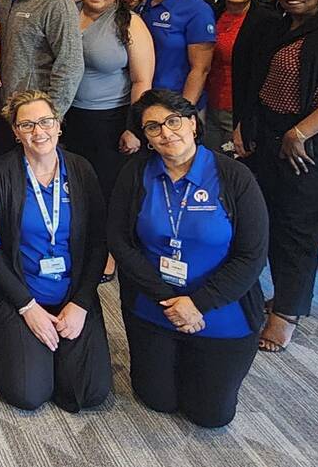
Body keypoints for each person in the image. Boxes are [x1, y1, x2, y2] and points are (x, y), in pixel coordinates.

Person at [108, 89, 269, 429]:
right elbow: (120, 242)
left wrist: (197, 304)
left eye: (173, 121)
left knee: (210, 415)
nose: (166, 132)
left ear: (193, 123)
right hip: (154, 306)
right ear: (147, 138)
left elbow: (252, 256)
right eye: (153, 127)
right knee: (157, 400)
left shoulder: (233, 177)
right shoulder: (135, 175)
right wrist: (170, 300)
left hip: (222, 311)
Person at [230, 0, 318, 353]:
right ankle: (276, 297)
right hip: (268, 135)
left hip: (308, 146)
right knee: (263, 220)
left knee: (298, 231)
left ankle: (287, 313)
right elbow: (255, 81)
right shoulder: (280, 26)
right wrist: (245, 124)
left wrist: (299, 133)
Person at [0, 91, 112, 412]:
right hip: (20, 297)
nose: (39, 132)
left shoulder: (81, 170)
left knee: (90, 392)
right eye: (27, 125)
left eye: (45, 122)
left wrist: (80, 303)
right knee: (28, 393)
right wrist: (27, 306)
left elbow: (98, 243)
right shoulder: (0, 174)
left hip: (72, 296)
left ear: (59, 125)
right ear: (15, 132)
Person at [65, 0, 156, 202]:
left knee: (105, 192)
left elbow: (141, 80)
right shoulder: (66, 13)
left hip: (110, 122)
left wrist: (134, 127)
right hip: (67, 118)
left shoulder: (130, 22)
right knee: (71, 189)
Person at [0, 0, 86, 144]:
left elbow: (70, 64)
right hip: (3, 110)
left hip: (36, 118)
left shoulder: (57, 1)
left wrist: (50, 119)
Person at [205, 0, 272, 151]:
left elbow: (262, 78)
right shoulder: (210, 13)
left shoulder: (267, 22)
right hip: (207, 106)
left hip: (238, 111)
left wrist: (246, 123)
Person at [137, 0, 217, 105]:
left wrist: (184, 112)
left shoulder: (197, 9)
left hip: (176, 103)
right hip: (144, 98)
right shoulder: (144, 4)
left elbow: (200, 70)